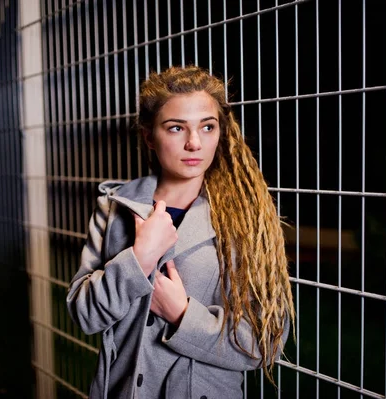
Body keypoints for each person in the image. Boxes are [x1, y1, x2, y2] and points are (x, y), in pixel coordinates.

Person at [67, 65, 295, 399]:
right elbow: (85, 315)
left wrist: (183, 315)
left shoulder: (245, 220)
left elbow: (263, 343)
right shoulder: (115, 208)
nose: (194, 143)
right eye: (176, 128)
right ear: (149, 136)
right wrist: (139, 258)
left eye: (207, 127)